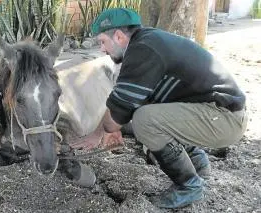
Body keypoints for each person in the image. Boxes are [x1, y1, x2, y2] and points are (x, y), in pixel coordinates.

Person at [71, 8, 248, 209]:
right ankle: (197, 161)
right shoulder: (147, 42)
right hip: (219, 112)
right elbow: (121, 100)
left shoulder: (143, 51)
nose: (102, 50)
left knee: (144, 121)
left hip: (224, 118)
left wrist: (103, 131)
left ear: (119, 36)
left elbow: (118, 112)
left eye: (102, 42)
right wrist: (111, 126)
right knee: (144, 112)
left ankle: (188, 185)